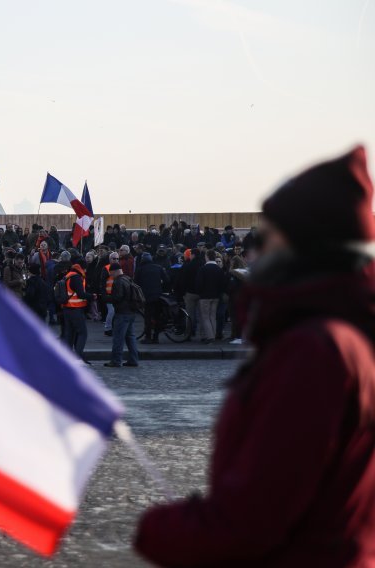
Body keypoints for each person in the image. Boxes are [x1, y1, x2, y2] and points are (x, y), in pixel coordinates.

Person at [135, 146, 375, 566]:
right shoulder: (345, 337)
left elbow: (251, 518)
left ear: (303, 242)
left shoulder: (311, 350)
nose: (253, 249)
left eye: (266, 236)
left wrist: (157, 529)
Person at [104, 262, 140, 368]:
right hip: (131, 312)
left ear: (114, 271)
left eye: (111, 273)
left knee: (118, 338)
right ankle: (134, 360)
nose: (111, 276)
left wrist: (106, 298)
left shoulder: (118, 281)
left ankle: (116, 360)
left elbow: (118, 297)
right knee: (130, 337)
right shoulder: (127, 278)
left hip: (122, 313)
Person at [134, 252, 170, 344]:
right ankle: (156, 337)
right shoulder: (158, 267)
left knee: (148, 317)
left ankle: (148, 337)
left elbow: (135, 283)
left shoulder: (140, 269)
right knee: (157, 316)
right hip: (158, 296)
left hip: (146, 296)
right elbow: (166, 280)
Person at [61, 260, 90, 363]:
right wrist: (92, 296)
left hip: (66, 308)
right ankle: (77, 359)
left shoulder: (67, 275)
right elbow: (81, 294)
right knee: (83, 333)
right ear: (82, 268)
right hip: (75, 308)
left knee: (70, 334)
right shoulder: (76, 277)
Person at [195, 249, 225, 344]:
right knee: (212, 316)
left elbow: (199, 284)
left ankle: (210, 337)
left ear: (207, 257)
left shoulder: (203, 269)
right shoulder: (219, 269)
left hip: (205, 296)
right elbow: (222, 284)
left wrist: (200, 292)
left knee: (205, 317)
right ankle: (214, 334)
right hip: (216, 296)